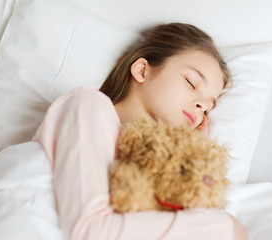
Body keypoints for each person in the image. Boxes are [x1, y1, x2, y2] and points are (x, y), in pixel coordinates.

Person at [32, 23, 247, 240]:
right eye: (191, 82)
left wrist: (188, 159)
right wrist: (222, 228)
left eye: (209, 107)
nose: (202, 106)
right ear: (142, 70)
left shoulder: (152, 166)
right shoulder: (88, 105)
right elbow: (89, 231)